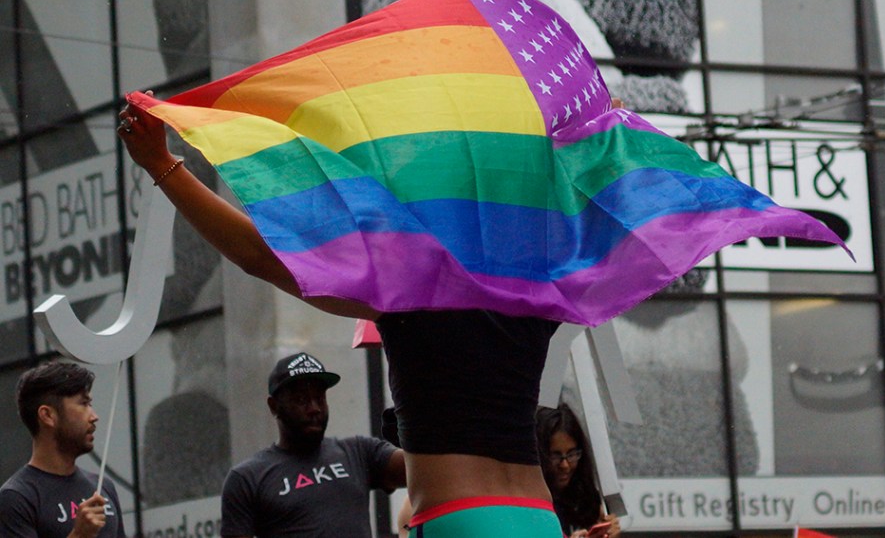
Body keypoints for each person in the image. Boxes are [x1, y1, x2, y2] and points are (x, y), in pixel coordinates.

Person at [118, 94, 594, 537]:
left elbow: (258, 255)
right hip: (538, 517)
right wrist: (595, 143)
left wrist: (162, 164)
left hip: (461, 518)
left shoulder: (409, 289)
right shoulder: (535, 290)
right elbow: (600, 221)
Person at [220, 352, 405, 538]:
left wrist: (412, 410)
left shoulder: (360, 452)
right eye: (302, 400)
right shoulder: (246, 479)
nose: (314, 408)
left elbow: (417, 467)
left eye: (320, 398)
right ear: (274, 406)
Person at [0, 362, 126, 538]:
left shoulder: (104, 487)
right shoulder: (16, 498)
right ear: (48, 415)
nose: (94, 417)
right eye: (83, 404)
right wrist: (79, 535)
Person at [536, 404, 621, 538]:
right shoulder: (532, 505)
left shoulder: (587, 501)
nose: (565, 465)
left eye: (572, 454)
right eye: (555, 456)